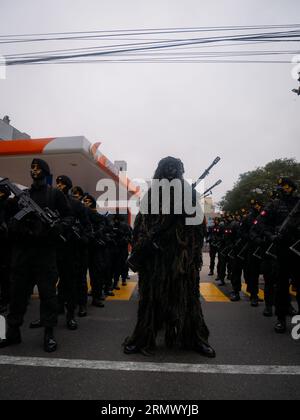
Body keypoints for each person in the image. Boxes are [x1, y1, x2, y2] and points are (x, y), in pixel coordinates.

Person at [123, 156, 216, 358]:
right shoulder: (152, 194)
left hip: (181, 258)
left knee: (188, 299)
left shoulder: (188, 193)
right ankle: (142, 339)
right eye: (168, 168)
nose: (172, 171)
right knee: (150, 301)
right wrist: (148, 242)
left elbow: (200, 226)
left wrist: (187, 214)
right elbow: (141, 224)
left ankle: (195, 339)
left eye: (176, 168)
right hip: (156, 258)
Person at [0, 159, 71, 352]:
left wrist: (59, 226)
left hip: (45, 252)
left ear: (45, 172)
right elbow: (8, 215)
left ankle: (49, 334)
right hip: (22, 252)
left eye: (38, 168)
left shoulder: (54, 194)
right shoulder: (23, 195)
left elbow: (68, 216)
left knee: (48, 294)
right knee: (17, 295)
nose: (34, 170)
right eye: (32, 168)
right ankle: (13, 332)